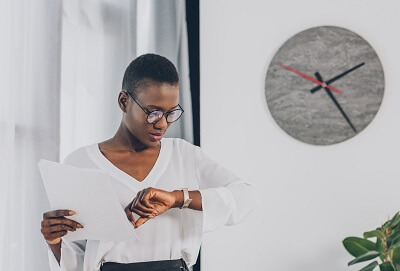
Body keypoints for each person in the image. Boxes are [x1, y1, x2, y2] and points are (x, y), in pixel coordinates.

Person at [40, 53, 259, 271]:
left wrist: (177, 198)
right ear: (124, 102)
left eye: (170, 113)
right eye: (153, 113)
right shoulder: (80, 163)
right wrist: (54, 242)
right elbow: (77, 260)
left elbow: (246, 197)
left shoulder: (184, 155)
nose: (162, 124)